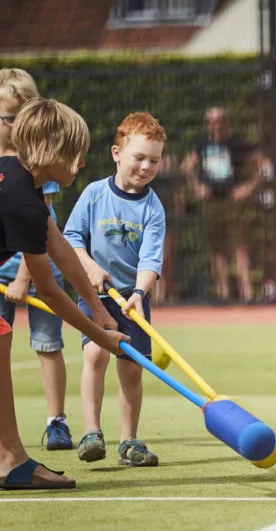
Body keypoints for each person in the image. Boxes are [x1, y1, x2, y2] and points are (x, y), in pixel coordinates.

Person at [0, 97, 127, 489]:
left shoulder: (21, 180)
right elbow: (51, 292)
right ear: (53, 153)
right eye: (76, 155)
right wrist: (100, 336)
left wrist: (97, 308)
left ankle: (10, 458)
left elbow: (60, 247)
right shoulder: (21, 200)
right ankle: (10, 460)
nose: (82, 164)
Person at [64, 112, 166, 467]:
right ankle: (91, 432)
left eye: (154, 160)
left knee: (132, 367)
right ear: (116, 153)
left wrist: (139, 293)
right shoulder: (93, 195)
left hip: (132, 300)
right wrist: (90, 267)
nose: (146, 166)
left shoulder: (153, 207)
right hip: (95, 294)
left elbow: (151, 259)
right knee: (95, 355)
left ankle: (129, 442)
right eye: (139, 157)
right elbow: (71, 238)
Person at [0, 69, 72, 450]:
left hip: (37, 261)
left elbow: (35, 231)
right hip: (2, 267)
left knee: (47, 343)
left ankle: (56, 421)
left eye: (23, 114)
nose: (16, 125)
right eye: (9, 116)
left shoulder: (38, 158)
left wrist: (23, 279)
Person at [181, 106, 268, 303]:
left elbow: (263, 164)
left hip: (232, 200)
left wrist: (249, 187)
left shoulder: (236, 143)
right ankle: (223, 294)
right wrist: (197, 185)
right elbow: (186, 167)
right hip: (211, 201)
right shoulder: (202, 145)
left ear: (226, 121)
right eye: (211, 121)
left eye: (219, 120)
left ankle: (247, 295)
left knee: (240, 246)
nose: (216, 124)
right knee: (217, 249)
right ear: (207, 124)